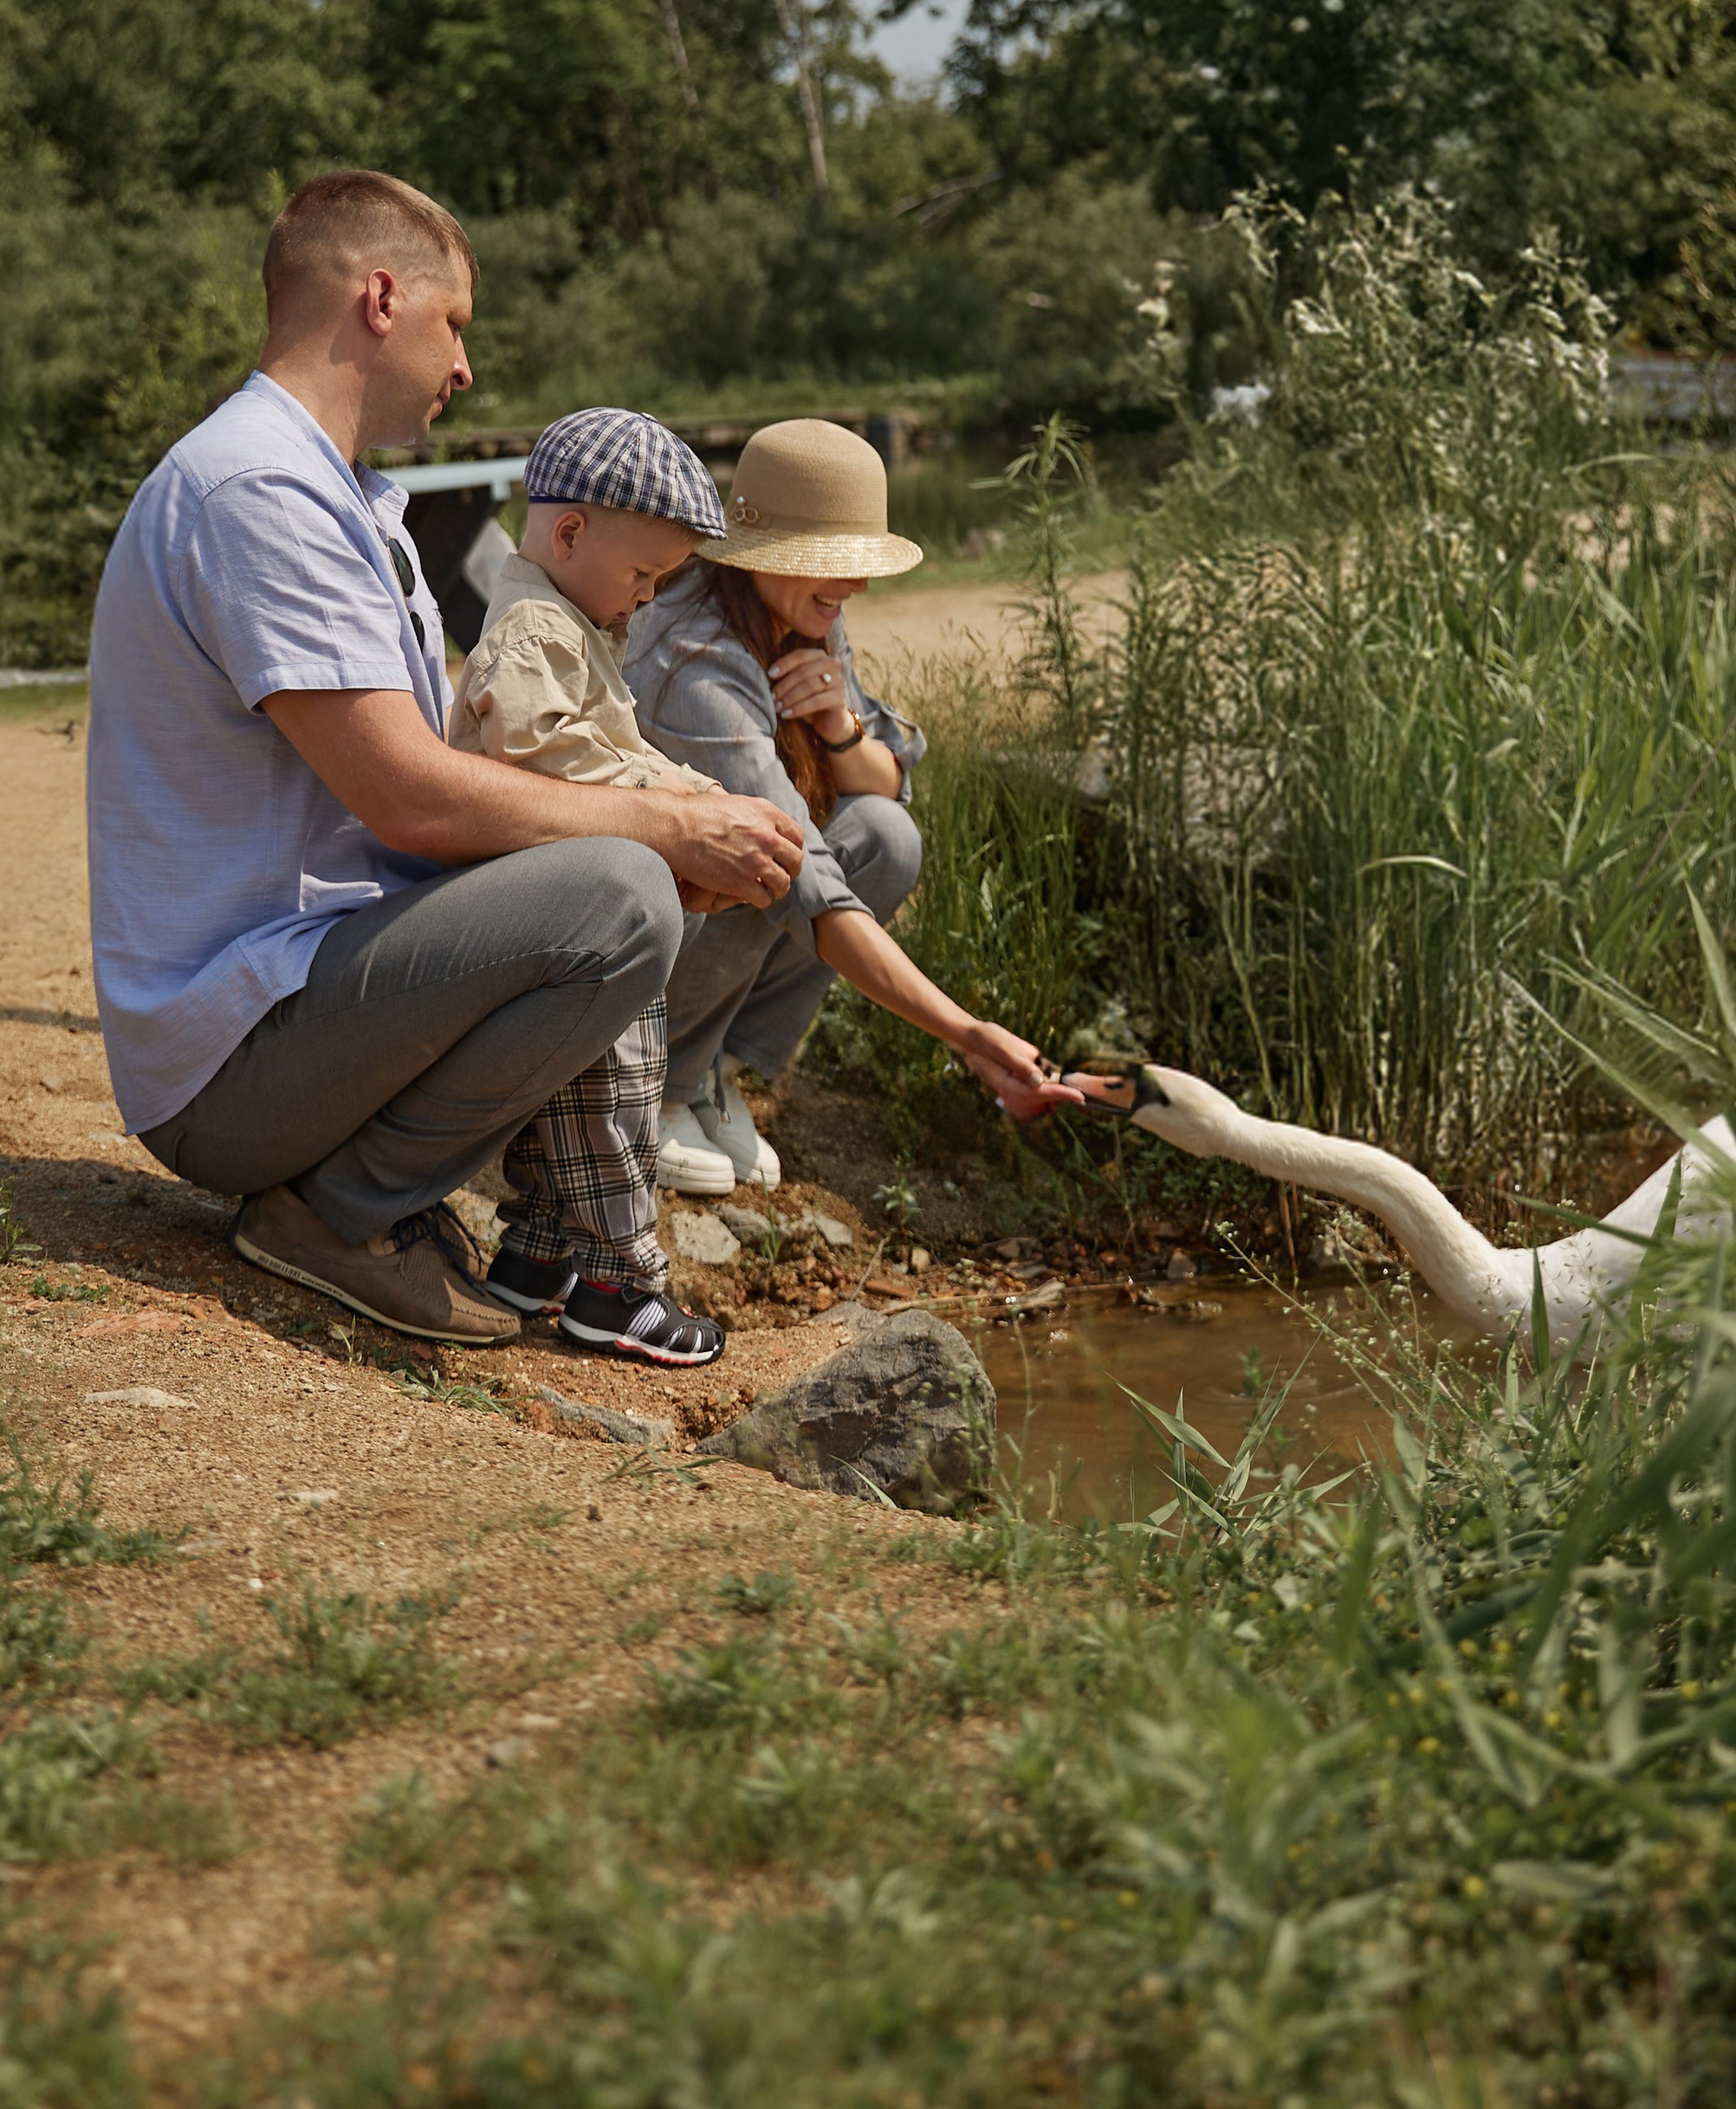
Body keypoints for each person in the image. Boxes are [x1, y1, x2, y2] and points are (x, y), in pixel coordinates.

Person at [87, 171, 805, 1348]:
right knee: (621, 891)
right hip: (238, 1057)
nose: (464, 367)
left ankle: (477, 1219)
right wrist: (663, 828)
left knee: (621, 877)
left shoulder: (343, 495)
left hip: (300, 1005)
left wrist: (652, 824)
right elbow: (407, 796)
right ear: (380, 298)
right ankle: (338, 1212)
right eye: (455, 323)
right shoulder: (261, 489)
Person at [630, 418, 1071, 1184]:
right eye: (835, 561)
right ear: (768, 556)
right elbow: (805, 883)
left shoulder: (794, 608)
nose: (858, 585)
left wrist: (839, 727)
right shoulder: (697, 665)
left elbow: (895, 780)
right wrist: (966, 1034)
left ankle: (709, 1067)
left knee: (885, 836)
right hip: (640, 936)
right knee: (764, 867)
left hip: (709, 909)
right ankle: (656, 1084)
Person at [446, 405, 738, 1365]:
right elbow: (551, 756)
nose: (648, 597)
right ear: (569, 533)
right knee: (616, 1083)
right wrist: (677, 798)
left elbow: (611, 748)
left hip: (554, 904)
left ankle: (536, 1256)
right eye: (644, 574)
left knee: (566, 1091)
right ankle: (619, 1281)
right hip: (563, 905)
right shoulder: (535, 632)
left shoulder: (570, 621)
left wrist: (690, 796)